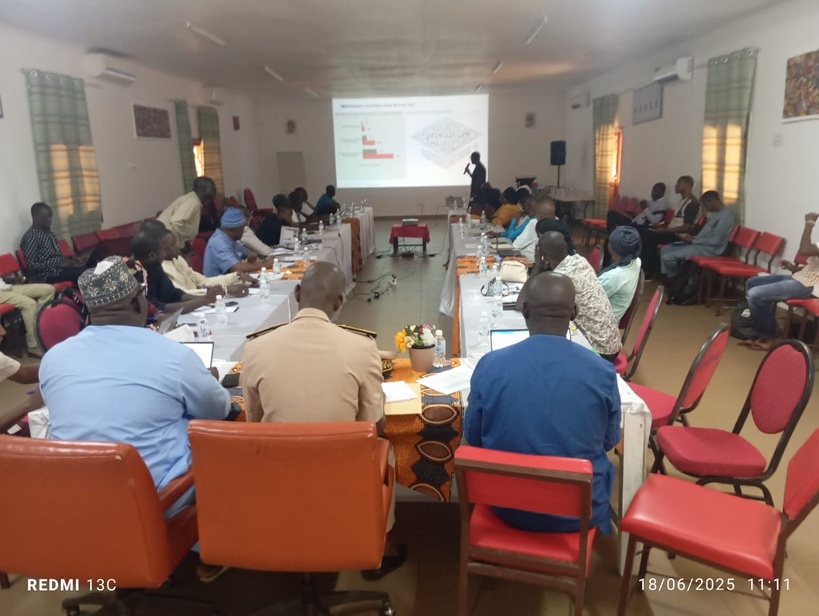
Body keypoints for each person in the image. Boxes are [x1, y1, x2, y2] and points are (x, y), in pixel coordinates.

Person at [39, 256, 231, 580]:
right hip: (153, 504)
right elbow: (219, 410)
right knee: (223, 440)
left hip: (74, 502)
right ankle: (215, 546)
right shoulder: (171, 355)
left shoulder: (53, 359)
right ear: (136, 301)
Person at [242, 261, 406, 580]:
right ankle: (378, 549)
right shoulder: (361, 347)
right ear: (340, 302)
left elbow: (254, 420)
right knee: (387, 451)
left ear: (297, 292)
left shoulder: (256, 347)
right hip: (340, 474)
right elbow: (375, 425)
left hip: (277, 474)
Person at [465, 272, 621, 534]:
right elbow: (609, 440)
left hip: (505, 504)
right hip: (580, 510)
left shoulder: (490, 365)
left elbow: (474, 437)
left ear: (524, 310)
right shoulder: (602, 371)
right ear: (574, 313)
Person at [518, 232, 622, 360]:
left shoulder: (559, 280)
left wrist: (538, 266)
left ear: (542, 256)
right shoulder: (580, 260)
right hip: (612, 343)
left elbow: (520, 304)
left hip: (598, 351)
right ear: (565, 245)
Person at [742, 213, 819, 351]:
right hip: (801, 278)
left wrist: (809, 224)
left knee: (755, 294)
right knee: (752, 283)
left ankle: (771, 335)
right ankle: (760, 332)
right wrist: (794, 268)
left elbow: (804, 250)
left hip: (810, 287)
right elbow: (814, 268)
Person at [131, 227, 222, 314]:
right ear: (152, 256)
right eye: (163, 250)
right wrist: (204, 300)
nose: (165, 254)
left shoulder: (154, 267)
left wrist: (206, 298)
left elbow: (175, 294)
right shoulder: (134, 277)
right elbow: (159, 309)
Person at [659, 190, 736, 280]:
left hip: (707, 250)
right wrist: (692, 238)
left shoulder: (725, 218)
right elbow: (707, 234)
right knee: (664, 250)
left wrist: (693, 240)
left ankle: (675, 278)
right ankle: (669, 278)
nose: (705, 208)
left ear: (712, 202)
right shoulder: (716, 214)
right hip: (698, 244)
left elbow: (716, 240)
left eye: (705, 205)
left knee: (667, 257)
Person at [160, 228, 254, 297]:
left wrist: (235, 276)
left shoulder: (177, 259)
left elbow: (203, 281)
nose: (178, 245)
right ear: (161, 250)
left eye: (176, 242)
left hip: (200, 303)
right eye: (173, 245)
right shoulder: (161, 269)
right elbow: (184, 293)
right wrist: (225, 290)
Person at [20, 202, 97, 284]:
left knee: (95, 263)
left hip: (61, 269)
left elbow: (54, 256)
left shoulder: (48, 233)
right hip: (49, 274)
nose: (50, 219)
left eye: (51, 216)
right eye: (47, 217)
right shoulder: (31, 236)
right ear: (36, 217)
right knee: (86, 272)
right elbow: (32, 266)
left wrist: (73, 260)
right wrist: (57, 265)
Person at [640, 176, 700, 277]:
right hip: (672, 231)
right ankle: (650, 268)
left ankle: (647, 271)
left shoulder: (692, 203)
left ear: (687, 185)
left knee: (649, 238)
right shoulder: (682, 201)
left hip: (680, 235)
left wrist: (665, 231)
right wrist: (661, 226)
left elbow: (686, 227)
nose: (676, 186)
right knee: (645, 233)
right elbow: (676, 221)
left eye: (678, 184)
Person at [203, 208, 274, 277]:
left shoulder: (230, 238)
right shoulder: (218, 243)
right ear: (234, 229)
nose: (244, 231)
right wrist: (265, 265)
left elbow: (247, 252)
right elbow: (237, 267)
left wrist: (251, 254)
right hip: (219, 286)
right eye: (242, 228)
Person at [0, 272, 54, 357]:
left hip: (7, 288)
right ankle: (33, 345)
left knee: (48, 289)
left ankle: (42, 329)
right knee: (30, 304)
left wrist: (12, 280)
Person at [157, 176, 217, 250]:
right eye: (212, 187)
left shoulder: (193, 199)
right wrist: (181, 245)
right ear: (203, 189)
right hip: (165, 243)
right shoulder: (193, 202)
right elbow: (175, 222)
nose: (215, 190)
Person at [599, 226, 642, 321]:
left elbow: (586, 301)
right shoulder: (636, 262)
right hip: (612, 320)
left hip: (601, 325)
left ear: (611, 247)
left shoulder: (613, 276)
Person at [513, 196, 560, 262]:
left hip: (533, 262)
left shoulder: (534, 223)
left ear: (540, 216)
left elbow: (516, 245)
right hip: (553, 262)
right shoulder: (559, 223)